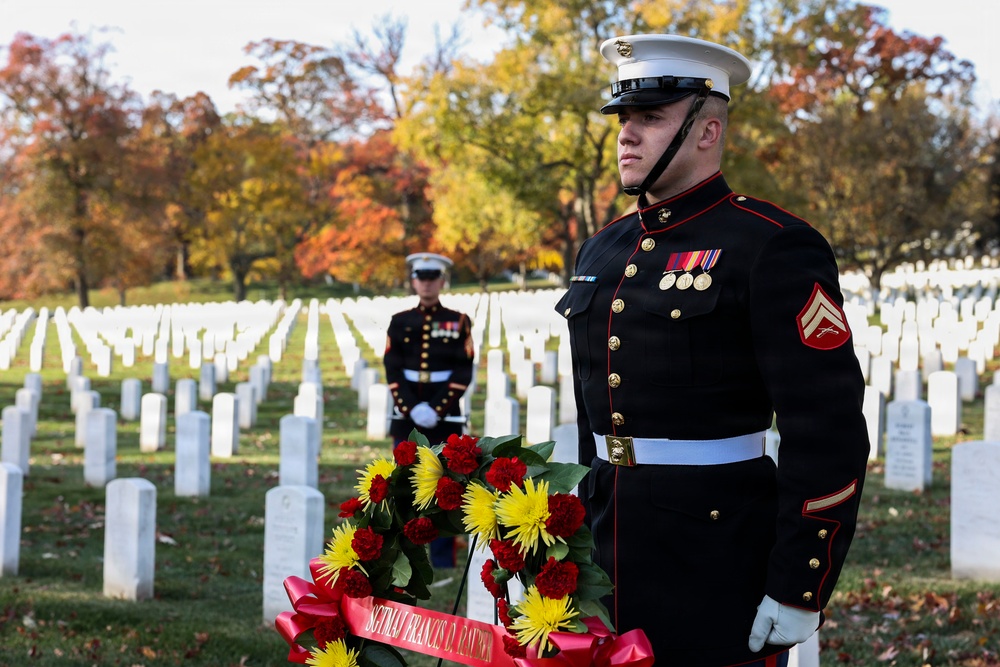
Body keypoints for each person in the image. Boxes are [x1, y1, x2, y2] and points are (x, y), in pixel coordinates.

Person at [555, 34, 870, 666]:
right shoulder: (603, 249)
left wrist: (799, 586)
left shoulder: (771, 245)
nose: (626, 135)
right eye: (623, 119)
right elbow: (598, 421)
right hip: (607, 547)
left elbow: (826, 430)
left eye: (650, 118)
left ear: (707, 132)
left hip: (716, 557)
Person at [384, 252, 475, 567]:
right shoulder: (399, 322)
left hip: (444, 415)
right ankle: (404, 553)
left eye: (432, 277)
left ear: (442, 280)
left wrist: (436, 408)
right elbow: (393, 367)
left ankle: (442, 559)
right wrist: (411, 408)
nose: (426, 283)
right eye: (421, 277)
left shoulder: (459, 321)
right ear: (413, 280)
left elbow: (463, 370)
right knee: (404, 485)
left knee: (446, 488)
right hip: (408, 415)